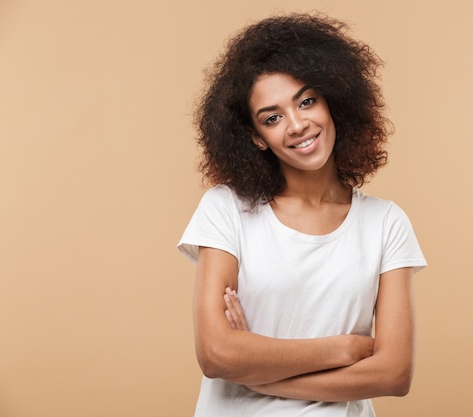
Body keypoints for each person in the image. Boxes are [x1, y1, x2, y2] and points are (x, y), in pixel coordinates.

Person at [177, 12, 427, 417]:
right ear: (257, 138)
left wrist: (258, 372)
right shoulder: (227, 209)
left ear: (333, 102)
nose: (297, 125)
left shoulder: (385, 223)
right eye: (272, 118)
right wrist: (341, 348)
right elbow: (216, 353)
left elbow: (394, 373)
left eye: (307, 101)